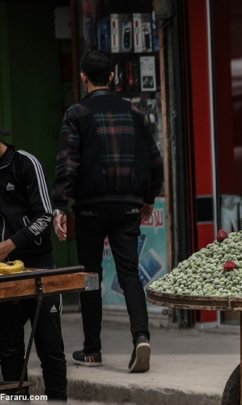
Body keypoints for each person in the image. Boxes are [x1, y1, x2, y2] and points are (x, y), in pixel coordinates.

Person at [51, 49, 163, 373]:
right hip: (127, 205)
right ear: (112, 77)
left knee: (90, 275)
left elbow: (67, 162)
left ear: (84, 77)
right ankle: (141, 336)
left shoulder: (76, 114)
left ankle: (92, 349)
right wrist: (149, 198)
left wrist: (60, 204)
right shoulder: (135, 113)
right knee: (129, 272)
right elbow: (154, 160)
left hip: (89, 208)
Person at [0, 129, 67, 400]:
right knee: (9, 352)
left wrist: (9, 245)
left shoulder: (26, 163)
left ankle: (57, 400)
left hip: (38, 267)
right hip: (4, 275)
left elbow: (45, 217)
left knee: (50, 348)